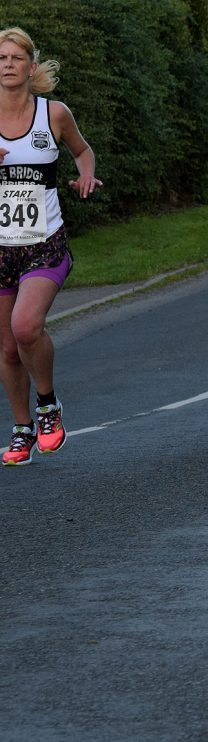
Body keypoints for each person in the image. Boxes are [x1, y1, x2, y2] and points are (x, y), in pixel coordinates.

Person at [0, 27, 102, 467]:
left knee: (26, 327)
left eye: (16, 57)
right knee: (7, 348)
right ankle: (22, 428)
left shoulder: (54, 114)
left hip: (44, 242)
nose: (8, 64)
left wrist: (85, 174)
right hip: (1, 249)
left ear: (31, 66)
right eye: (1, 57)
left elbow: (82, 151)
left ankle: (47, 404)